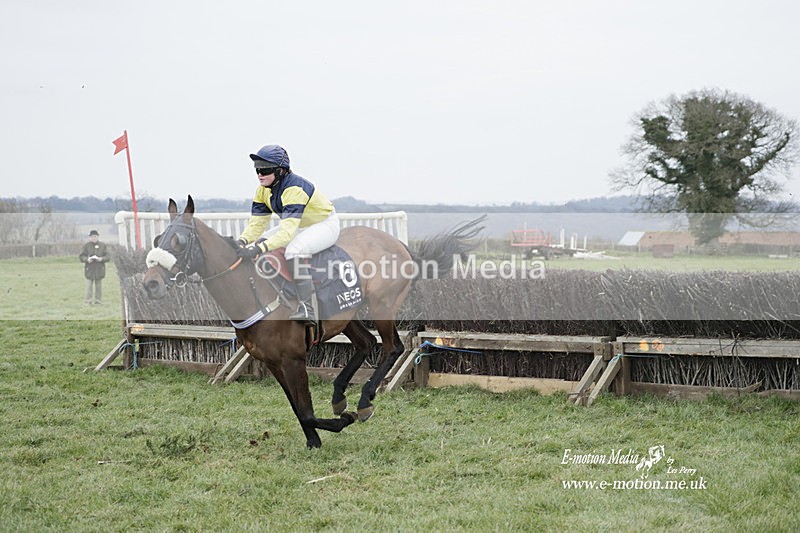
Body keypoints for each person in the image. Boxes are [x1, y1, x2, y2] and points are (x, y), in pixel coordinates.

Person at [236, 145, 339, 323]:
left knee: (294, 251)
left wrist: (259, 248)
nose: (260, 174)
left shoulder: (294, 189)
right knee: (255, 245)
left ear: (281, 171)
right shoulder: (262, 190)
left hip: (324, 224)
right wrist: (243, 241)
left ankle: (307, 307)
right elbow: (258, 223)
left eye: (265, 169)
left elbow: (286, 234)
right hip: (299, 225)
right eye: (257, 169)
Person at [79, 229, 109, 305]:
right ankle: (88, 302)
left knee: (99, 287)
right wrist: (87, 260)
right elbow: (81, 256)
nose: (93, 238)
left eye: (95, 236)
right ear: (89, 237)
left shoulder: (103, 245)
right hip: (89, 269)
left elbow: (108, 256)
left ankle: (98, 302)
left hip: (99, 269)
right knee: (89, 287)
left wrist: (101, 259)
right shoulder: (86, 246)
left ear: (98, 236)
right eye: (92, 236)